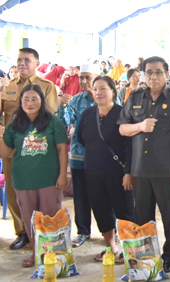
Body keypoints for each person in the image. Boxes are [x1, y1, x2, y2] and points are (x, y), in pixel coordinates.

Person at [118, 56, 170, 273]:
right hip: (140, 170)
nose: (153, 76)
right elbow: (123, 129)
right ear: (143, 74)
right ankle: (146, 255)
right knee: (142, 217)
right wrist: (141, 126)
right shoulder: (134, 97)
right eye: (149, 72)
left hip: (167, 170)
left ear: (166, 74)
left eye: (158, 72)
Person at [0, 83, 68, 267]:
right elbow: (5, 153)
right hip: (23, 180)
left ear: (42, 101)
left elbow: (62, 149)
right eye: (26, 99)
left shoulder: (53, 121)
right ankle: (36, 253)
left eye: (34, 99)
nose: (30, 103)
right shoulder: (15, 124)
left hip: (49, 179)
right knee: (31, 220)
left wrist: (62, 175)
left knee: (50, 219)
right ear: (20, 101)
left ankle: (53, 255)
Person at [1, 48, 59, 251]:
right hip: (13, 149)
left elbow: (48, 116)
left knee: (42, 193)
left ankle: (45, 233)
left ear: (37, 63)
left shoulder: (47, 86)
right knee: (14, 191)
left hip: (37, 149)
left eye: (27, 60)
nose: (22, 63)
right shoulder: (8, 87)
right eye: (19, 60)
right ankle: (22, 232)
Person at [77, 75, 133, 264]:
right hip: (93, 171)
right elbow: (81, 138)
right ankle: (110, 248)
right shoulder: (87, 114)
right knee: (100, 210)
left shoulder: (123, 113)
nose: (99, 92)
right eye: (96, 89)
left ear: (113, 91)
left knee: (124, 211)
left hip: (119, 173)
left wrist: (129, 172)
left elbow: (131, 145)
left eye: (103, 88)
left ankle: (129, 250)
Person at [58, 63, 103, 248]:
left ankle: (110, 232)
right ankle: (83, 232)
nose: (84, 81)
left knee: (104, 196)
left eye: (88, 77)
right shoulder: (76, 100)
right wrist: (62, 106)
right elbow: (65, 121)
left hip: (103, 158)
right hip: (79, 156)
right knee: (81, 196)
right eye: (82, 77)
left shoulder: (109, 98)